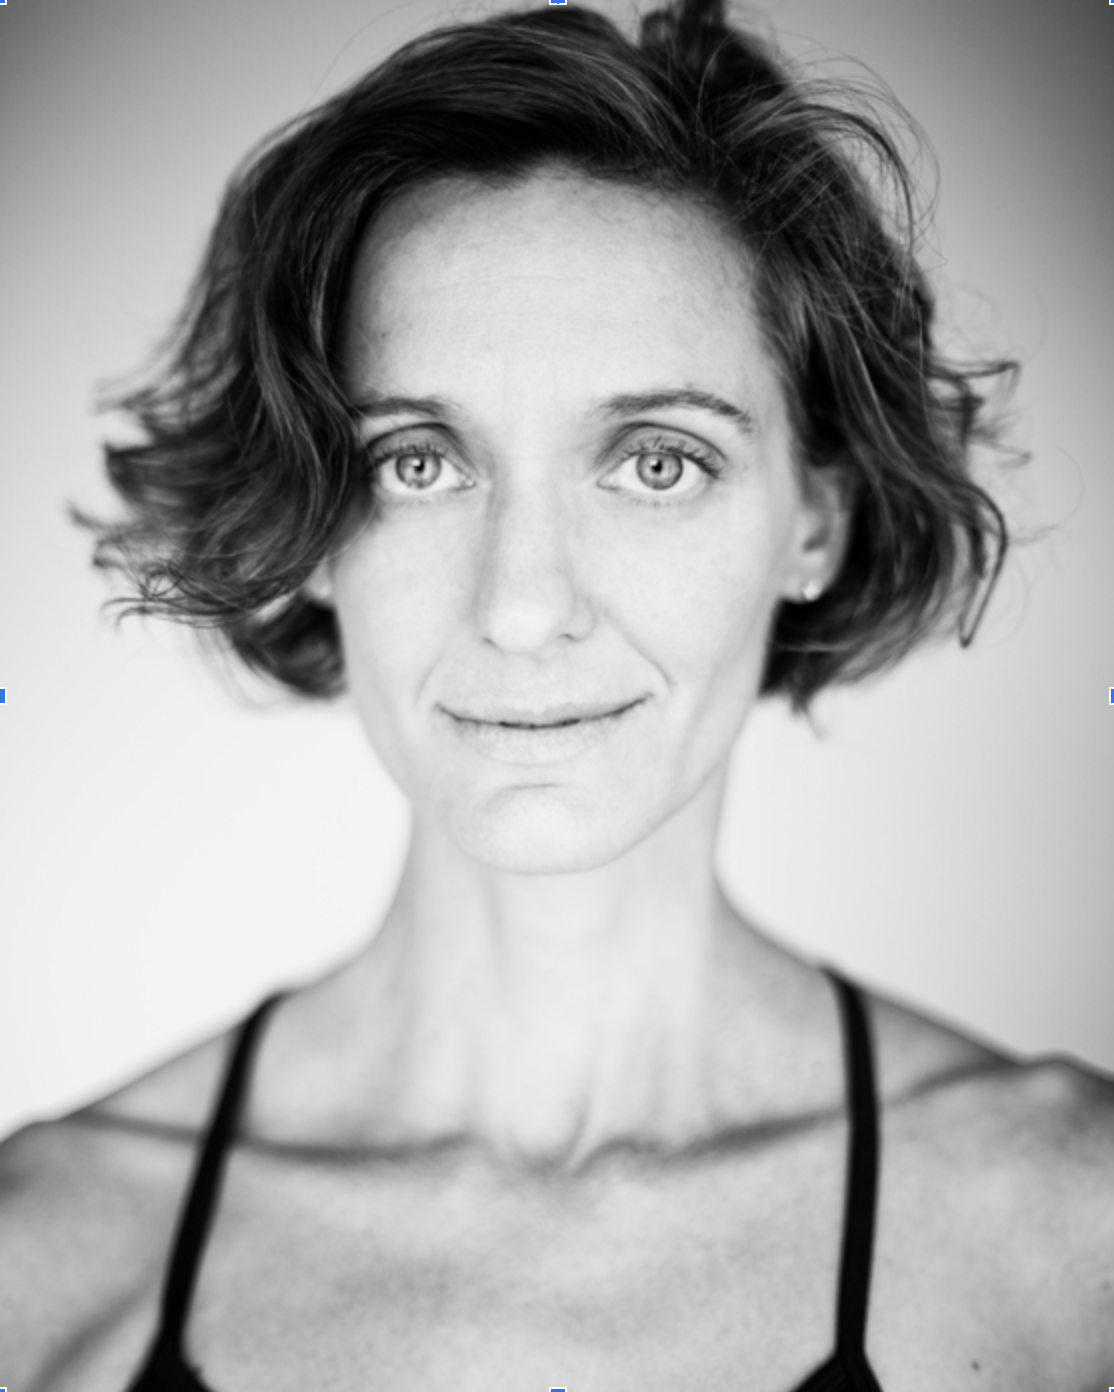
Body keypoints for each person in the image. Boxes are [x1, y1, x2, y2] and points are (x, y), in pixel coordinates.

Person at [1, 0, 1111, 1386]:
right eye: (416, 461)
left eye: (656, 461)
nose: (522, 604)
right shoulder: (41, 1266)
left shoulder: (1070, 1239)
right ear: (312, 526)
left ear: (814, 521)